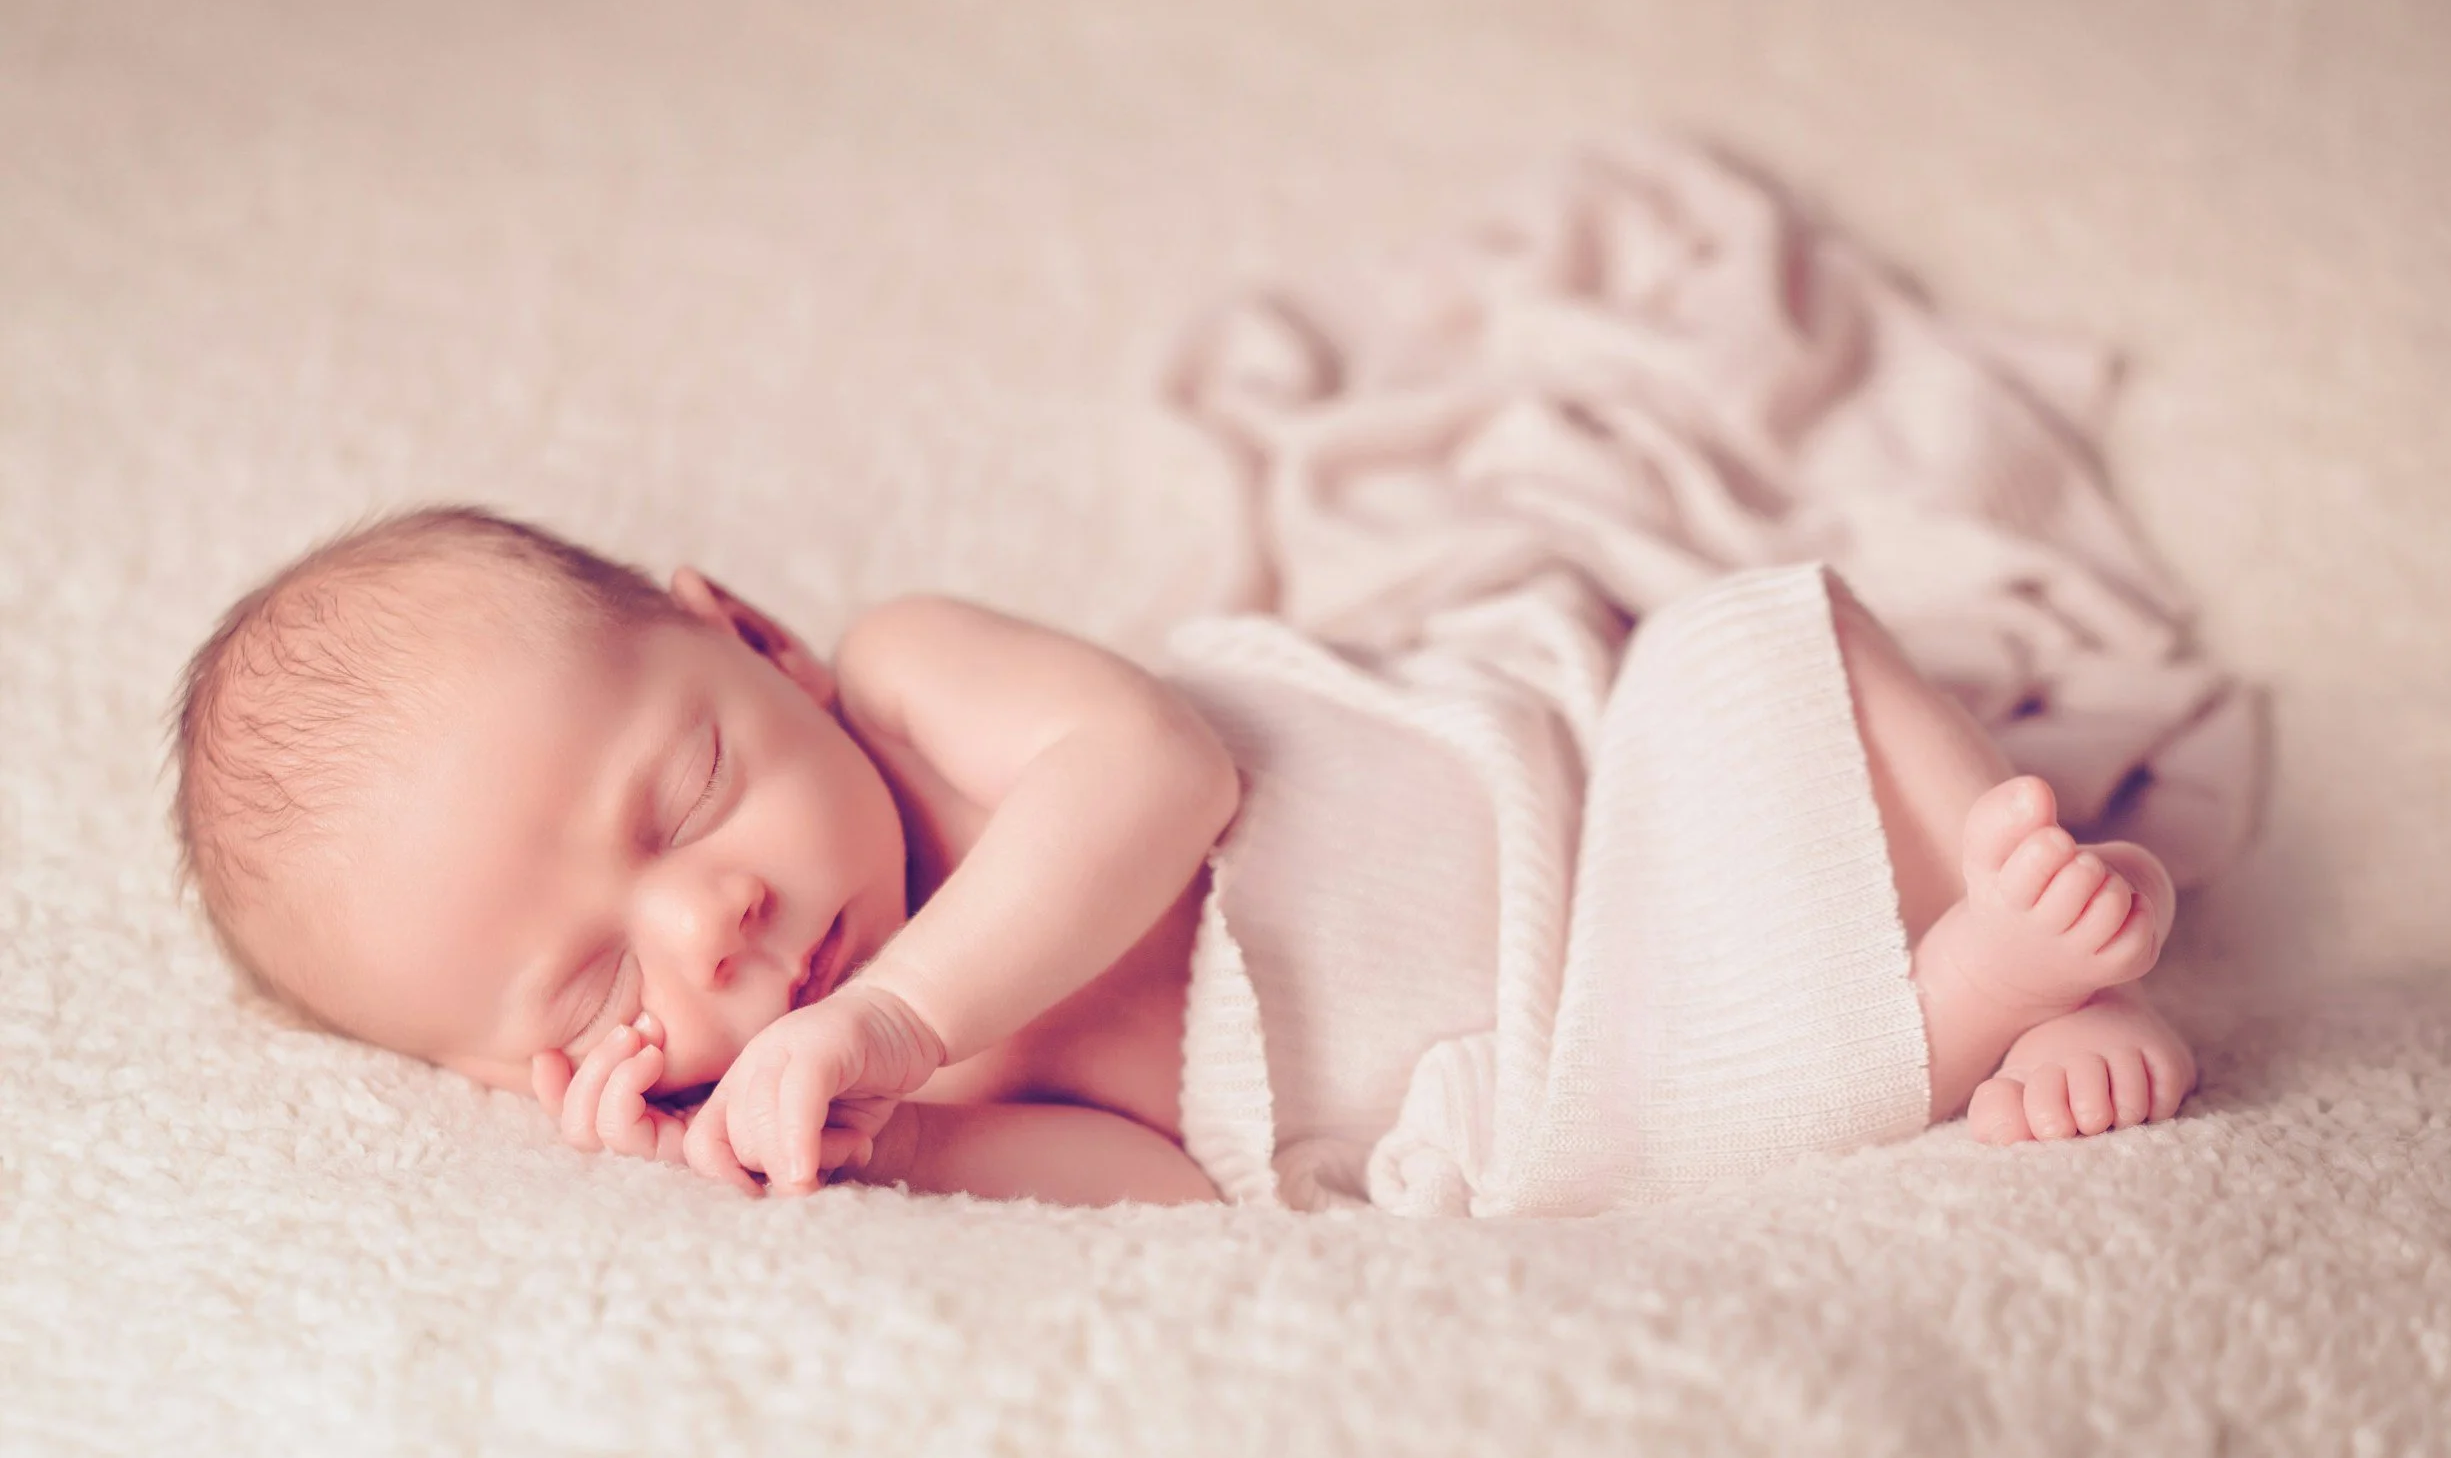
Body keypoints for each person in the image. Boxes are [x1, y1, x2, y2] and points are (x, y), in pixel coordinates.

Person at [170, 506, 2195, 1209]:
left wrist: (893, 1008)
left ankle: (1982, 854)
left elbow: (1155, 775)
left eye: (684, 788)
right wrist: (877, 1136)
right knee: (1606, 1144)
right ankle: (1975, 999)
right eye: (601, 993)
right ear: (539, 1076)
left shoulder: (912, 680)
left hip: (1551, 786)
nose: (706, 921)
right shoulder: (902, 1099)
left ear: (749, 636)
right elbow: (1181, 1191)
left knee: (1774, 636)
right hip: (1551, 1037)